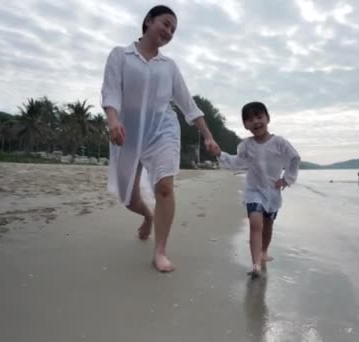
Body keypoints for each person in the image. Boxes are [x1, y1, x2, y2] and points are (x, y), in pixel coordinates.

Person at [101, 5, 220, 273]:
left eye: (173, 30)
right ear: (148, 21)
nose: (169, 32)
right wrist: (113, 122)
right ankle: (148, 216)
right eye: (165, 24)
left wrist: (208, 136)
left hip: (161, 130)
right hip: (127, 133)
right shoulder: (121, 55)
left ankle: (160, 251)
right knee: (128, 198)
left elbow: (189, 105)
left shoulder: (169, 66)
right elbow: (110, 93)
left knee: (165, 187)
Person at [217, 102, 301, 278]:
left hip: (272, 193)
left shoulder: (280, 143)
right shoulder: (246, 146)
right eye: (250, 119)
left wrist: (287, 179)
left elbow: (294, 158)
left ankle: (264, 251)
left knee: (268, 225)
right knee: (256, 224)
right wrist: (220, 154)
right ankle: (255, 264)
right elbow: (236, 162)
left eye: (259, 117)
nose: (256, 121)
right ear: (245, 125)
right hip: (253, 190)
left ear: (267, 118)